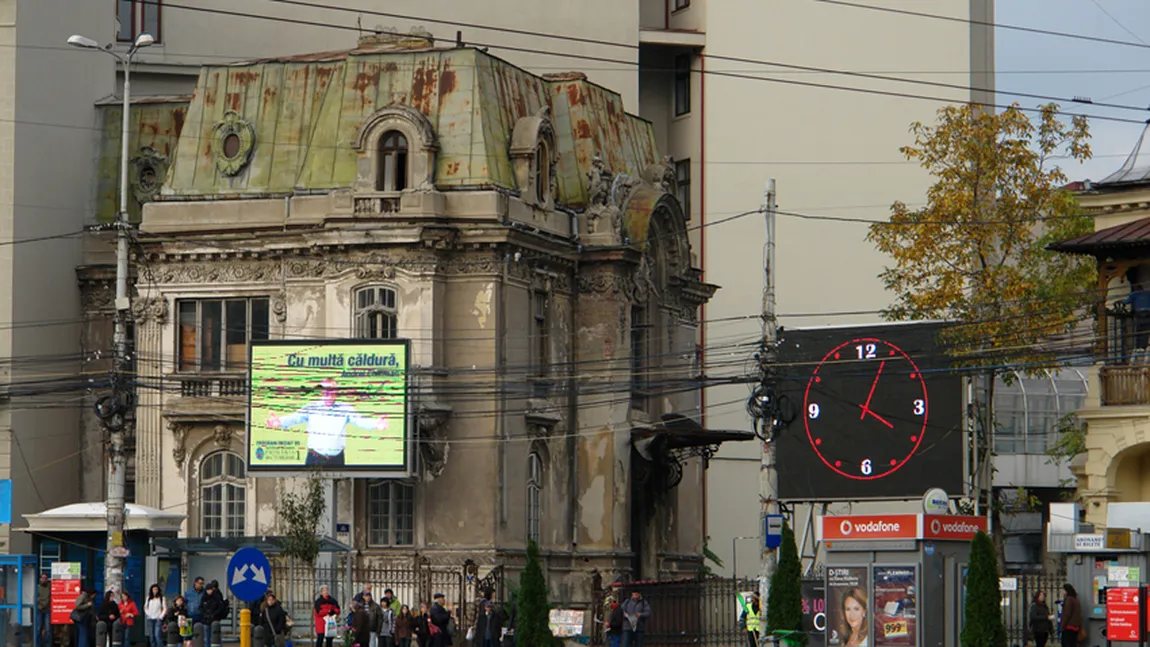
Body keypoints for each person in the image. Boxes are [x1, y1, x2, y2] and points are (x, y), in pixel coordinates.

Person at [265, 377, 390, 467]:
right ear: (321, 392)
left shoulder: (345, 408)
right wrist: (279, 421)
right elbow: (295, 418)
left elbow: (360, 421)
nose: (329, 395)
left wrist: (376, 424)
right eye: (326, 392)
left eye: (332, 392)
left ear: (336, 392)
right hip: (315, 458)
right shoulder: (312, 407)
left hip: (337, 459)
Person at [200, 581, 227, 647]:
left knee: (216, 636)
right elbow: (201, 607)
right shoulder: (204, 598)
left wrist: (214, 614)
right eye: (208, 590)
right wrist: (204, 614)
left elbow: (220, 607)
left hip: (214, 619)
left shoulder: (216, 597)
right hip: (206, 620)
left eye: (210, 590)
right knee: (207, 637)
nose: (209, 591)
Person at [36, 573, 50, 647]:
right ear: (40, 579)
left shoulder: (49, 587)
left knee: (48, 629)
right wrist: (43, 602)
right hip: (39, 609)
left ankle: (47, 645)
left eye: (45, 578)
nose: (44, 579)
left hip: (47, 610)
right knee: (38, 628)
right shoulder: (37, 587)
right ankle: (38, 645)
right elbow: (36, 598)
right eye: (42, 578)